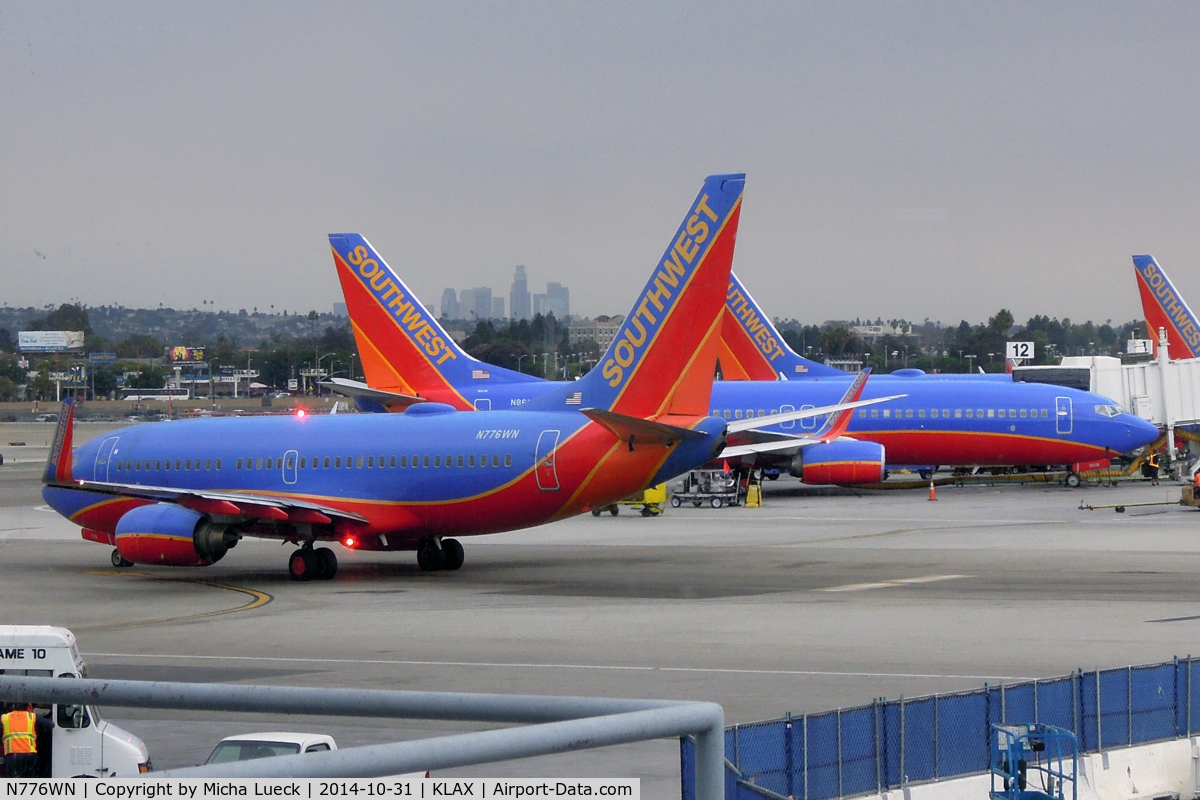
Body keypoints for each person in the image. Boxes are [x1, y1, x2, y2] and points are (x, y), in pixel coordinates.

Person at [2, 702, 39, 778]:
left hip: (12, 755)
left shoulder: (4, 718)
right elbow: (51, 725)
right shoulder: (32, 717)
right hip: (29, 754)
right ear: (28, 707)